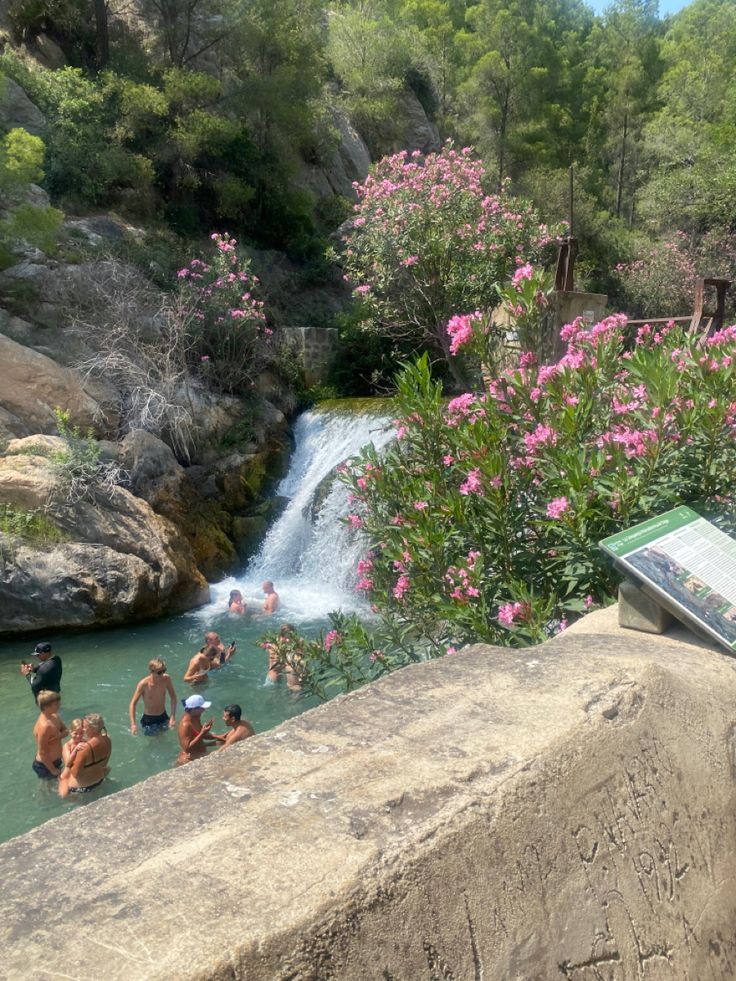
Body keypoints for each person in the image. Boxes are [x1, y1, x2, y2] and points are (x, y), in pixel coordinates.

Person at [59, 713, 111, 797]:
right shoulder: (108, 740)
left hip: (80, 789)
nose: (83, 730)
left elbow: (75, 773)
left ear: (92, 729)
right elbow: (104, 764)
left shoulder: (84, 748)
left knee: (63, 784)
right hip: (99, 780)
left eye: (84, 727)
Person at [129, 658, 177, 735]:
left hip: (163, 716)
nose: (162, 674)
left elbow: (173, 697)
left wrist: (172, 716)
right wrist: (133, 724)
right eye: (159, 672)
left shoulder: (166, 679)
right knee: (154, 743)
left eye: (164, 671)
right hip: (149, 719)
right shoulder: (143, 684)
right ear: (151, 672)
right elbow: (133, 704)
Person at [32, 690, 68, 780]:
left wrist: (58, 737)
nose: (59, 705)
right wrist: (52, 770)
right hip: (45, 765)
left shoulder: (54, 716)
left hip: (55, 761)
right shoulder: (45, 726)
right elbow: (42, 752)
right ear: (46, 707)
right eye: (56, 704)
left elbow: (66, 731)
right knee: (46, 788)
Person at [176, 694, 222, 764]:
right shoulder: (185, 725)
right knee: (220, 754)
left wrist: (218, 737)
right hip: (189, 759)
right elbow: (187, 749)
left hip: (200, 751)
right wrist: (202, 733)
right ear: (194, 709)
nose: (204, 709)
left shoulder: (196, 717)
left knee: (224, 743)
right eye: (202, 708)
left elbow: (201, 733)